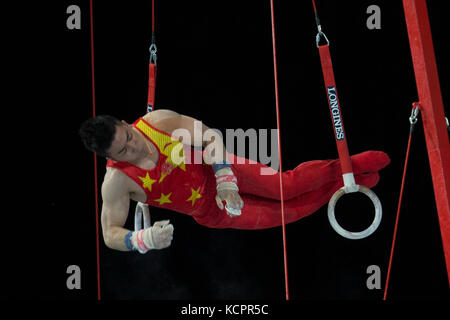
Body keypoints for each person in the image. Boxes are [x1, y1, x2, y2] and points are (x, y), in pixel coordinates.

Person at [79, 109, 390, 253]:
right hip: (213, 212)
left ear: (124, 123)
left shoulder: (157, 122)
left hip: (223, 171)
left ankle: (347, 168)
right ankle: (342, 187)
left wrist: (225, 178)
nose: (134, 147)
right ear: (110, 156)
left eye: (129, 137)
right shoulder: (116, 183)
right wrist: (143, 240)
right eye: (123, 150)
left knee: (288, 186)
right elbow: (109, 234)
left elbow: (210, 136)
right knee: (290, 213)